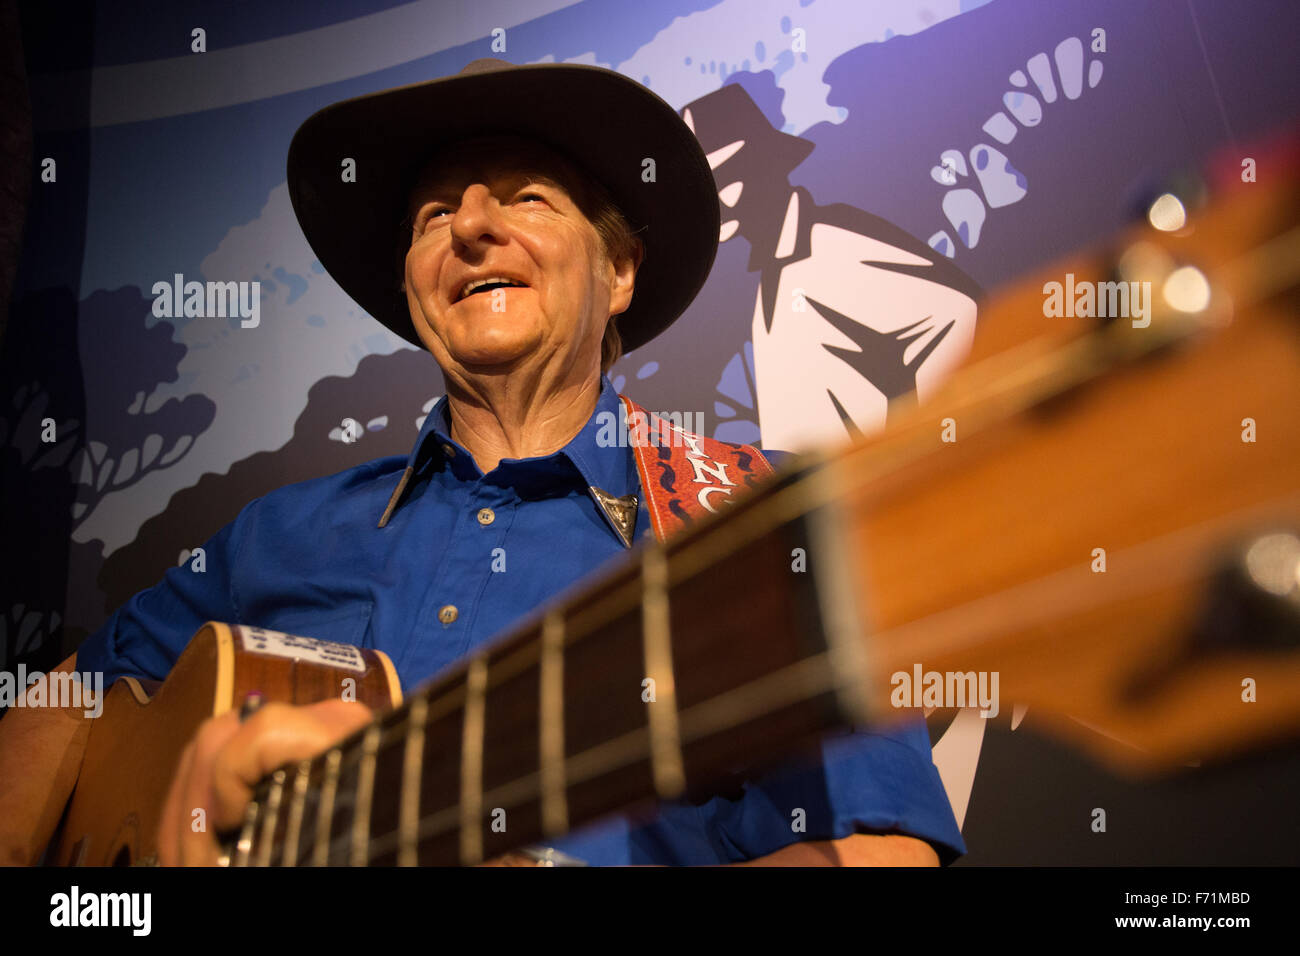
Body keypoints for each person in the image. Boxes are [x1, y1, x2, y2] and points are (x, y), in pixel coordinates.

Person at [0, 59, 965, 867]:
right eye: (431, 217)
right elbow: (69, 701)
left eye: (526, 197)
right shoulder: (277, 533)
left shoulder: (762, 519)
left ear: (617, 271)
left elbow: (884, 852)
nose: (467, 227)